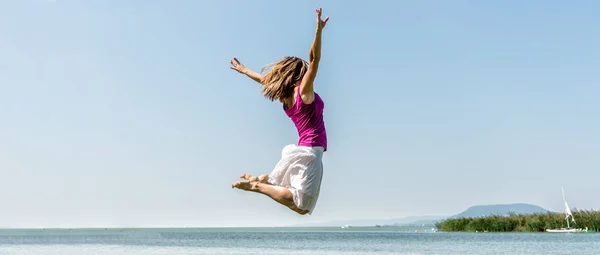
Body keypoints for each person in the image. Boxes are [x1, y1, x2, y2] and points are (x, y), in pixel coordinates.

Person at [229, 8, 330, 215]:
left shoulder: (286, 97)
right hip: (310, 152)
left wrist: (244, 70)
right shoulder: (304, 93)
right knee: (302, 206)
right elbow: (315, 60)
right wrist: (318, 31)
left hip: (305, 149)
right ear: (298, 76)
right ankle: (259, 186)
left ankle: (262, 180)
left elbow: (265, 80)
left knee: (299, 202)